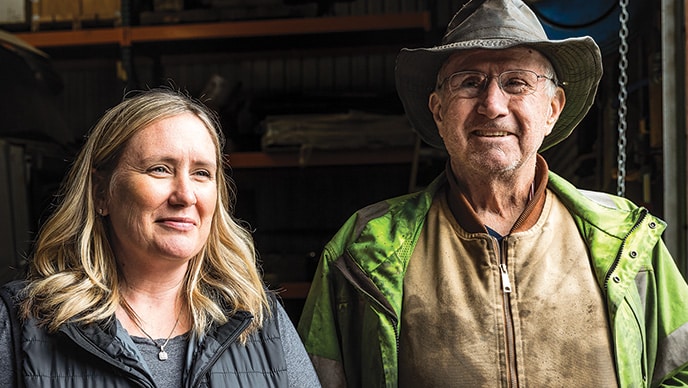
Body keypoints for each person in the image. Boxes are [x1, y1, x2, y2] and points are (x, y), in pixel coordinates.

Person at [297, 0, 688, 387]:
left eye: (516, 82)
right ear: (438, 110)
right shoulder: (363, 248)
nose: (492, 105)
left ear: (552, 108)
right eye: (469, 82)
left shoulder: (626, 241)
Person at [0, 87, 321, 387]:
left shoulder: (259, 319)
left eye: (201, 173)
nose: (185, 195)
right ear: (101, 192)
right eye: (159, 169)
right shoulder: (21, 322)